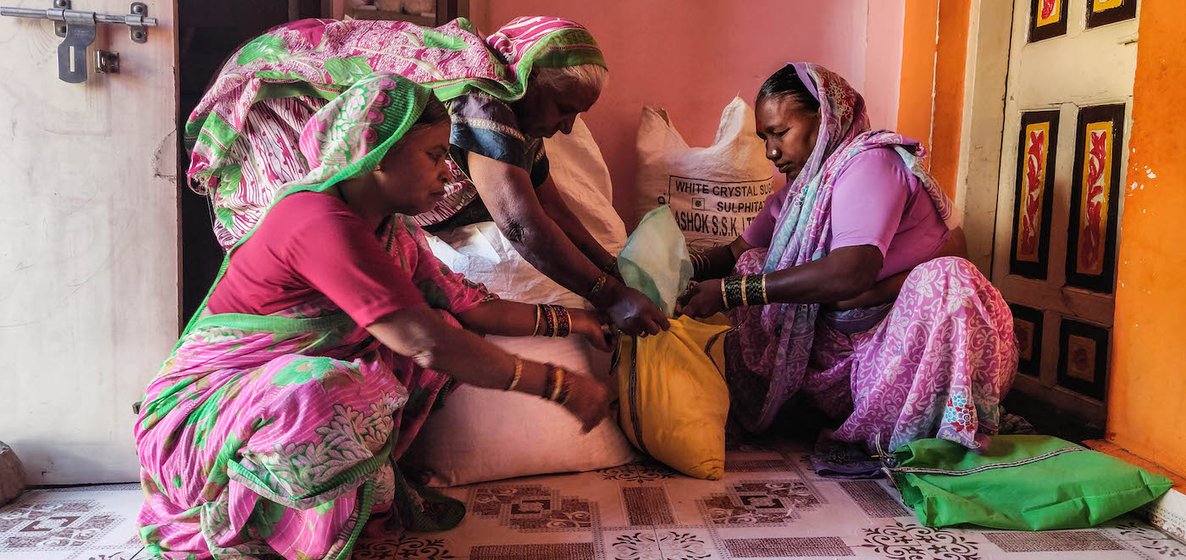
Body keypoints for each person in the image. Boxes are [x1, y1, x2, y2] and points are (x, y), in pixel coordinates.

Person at [136, 75, 615, 559]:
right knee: (329, 389)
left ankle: (340, 508)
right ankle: (261, 537)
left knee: (431, 334)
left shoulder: (390, 231)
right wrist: (560, 385)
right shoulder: (313, 219)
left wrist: (578, 321)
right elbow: (424, 341)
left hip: (259, 407)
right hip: (197, 423)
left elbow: (471, 307)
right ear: (379, 153)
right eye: (434, 155)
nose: (450, 173)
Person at [186, 16, 669, 337]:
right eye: (564, 110)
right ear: (532, 81)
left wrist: (619, 275)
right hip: (278, 105)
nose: (567, 127)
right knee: (313, 288)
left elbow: (552, 208)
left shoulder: (519, 110)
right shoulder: (483, 96)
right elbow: (521, 223)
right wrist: (608, 297)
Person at [678, 63, 1017, 452]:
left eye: (781, 133)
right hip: (845, 349)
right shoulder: (803, 193)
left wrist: (728, 293)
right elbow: (736, 252)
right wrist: (679, 270)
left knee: (946, 278)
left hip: (904, 346)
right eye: (765, 138)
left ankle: (941, 428)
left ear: (825, 119)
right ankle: (798, 411)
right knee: (753, 263)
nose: (771, 151)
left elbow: (853, 270)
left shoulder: (870, 162)